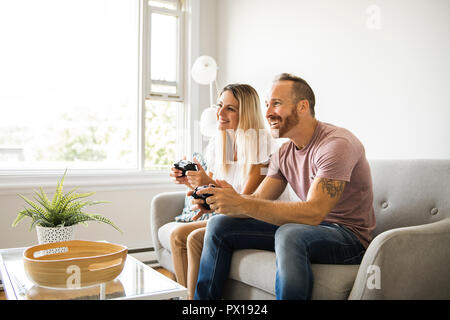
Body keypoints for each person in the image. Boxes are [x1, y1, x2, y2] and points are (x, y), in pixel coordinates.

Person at [193, 73, 376, 300]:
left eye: (276, 104)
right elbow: (260, 199)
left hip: (348, 238)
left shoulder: (336, 144)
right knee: (220, 225)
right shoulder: (284, 152)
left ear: (302, 107)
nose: (268, 112)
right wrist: (225, 200)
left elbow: (313, 213)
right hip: (309, 230)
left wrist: (241, 203)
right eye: (267, 104)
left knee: (290, 233)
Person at [169, 83, 281, 300]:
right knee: (176, 236)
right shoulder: (218, 143)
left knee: (192, 238)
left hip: (255, 217)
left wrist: (206, 181)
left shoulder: (261, 144)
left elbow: (247, 202)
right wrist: (191, 182)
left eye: (230, 108)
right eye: (220, 105)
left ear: (246, 113)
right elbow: (210, 190)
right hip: (231, 215)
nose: (220, 113)